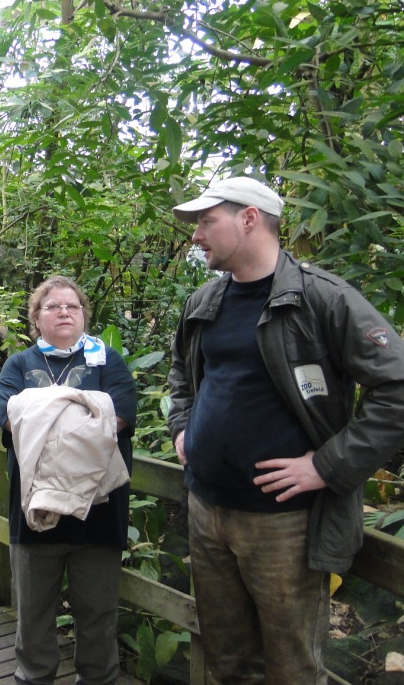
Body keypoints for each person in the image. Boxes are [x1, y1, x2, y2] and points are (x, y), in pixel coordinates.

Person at [167, 176, 404, 684]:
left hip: (284, 526)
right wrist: (182, 427)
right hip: (207, 510)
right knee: (227, 661)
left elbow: (397, 390)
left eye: (207, 222)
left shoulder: (323, 300)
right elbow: (181, 375)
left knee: (293, 667)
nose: (196, 236)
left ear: (249, 218)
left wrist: (327, 465)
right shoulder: (204, 301)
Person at [0, 276, 137, 685]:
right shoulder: (19, 365)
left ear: (84, 315)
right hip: (35, 514)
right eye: (52, 307)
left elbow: (122, 415)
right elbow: (8, 419)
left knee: (98, 616)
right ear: (36, 317)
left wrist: (39, 416)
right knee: (34, 617)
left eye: (71, 306)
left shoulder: (109, 362)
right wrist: (89, 416)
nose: (63, 312)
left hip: (100, 514)